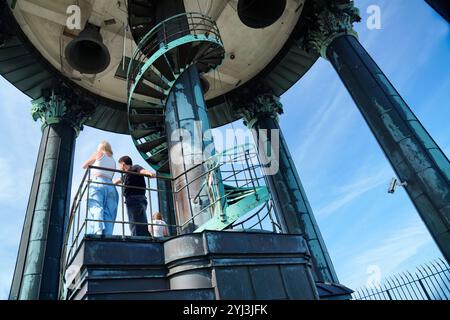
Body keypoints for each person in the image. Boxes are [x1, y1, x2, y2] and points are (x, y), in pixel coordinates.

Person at [82, 141, 119, 236]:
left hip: (97, 182)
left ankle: (97, 232)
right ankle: (108, 235)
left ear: (100, 147)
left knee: (96, 207)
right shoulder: (113, 160)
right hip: (110, 186)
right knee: (109, 213)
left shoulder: (99, 153)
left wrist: (93, 158)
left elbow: (84, 166)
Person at [114, 156, 156, 236]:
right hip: (134, 200)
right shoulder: (126, 175)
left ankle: (140, 238)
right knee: (138, 222)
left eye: (119, 165)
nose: (119, 168)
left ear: (123, 164)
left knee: (136, 223)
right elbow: (116, 181)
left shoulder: (135, 168)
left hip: (135, 199)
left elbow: (142, 171)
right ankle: (143, 236)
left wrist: (149, 174)